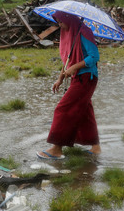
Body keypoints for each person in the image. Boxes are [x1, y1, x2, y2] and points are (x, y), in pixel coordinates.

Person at [36, 11, 101, 160]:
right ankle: (95, 147)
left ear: (68, 19)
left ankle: (56, 149)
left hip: (87, 77)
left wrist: (75, 67)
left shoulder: (84, 31)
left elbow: (94, 56)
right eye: (57, 21)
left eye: (60, 21)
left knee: (63, 109)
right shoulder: (69, 33)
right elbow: (67, 60)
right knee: (85, 112)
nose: (59, 25)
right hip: (77, 76)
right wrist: (59, 79)